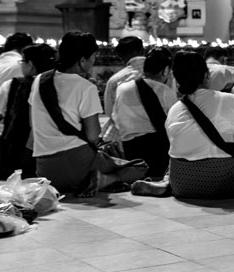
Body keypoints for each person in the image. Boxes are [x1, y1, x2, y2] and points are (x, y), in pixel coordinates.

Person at [136, 51, 234, 199]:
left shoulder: (175, 109)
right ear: (206, 75)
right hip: (221, 178)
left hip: (180, 181)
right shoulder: (229, 99)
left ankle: (166, 183)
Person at [31, 32, 144, 197]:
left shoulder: (39, 80)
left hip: (45, 170)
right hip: (77, 163)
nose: (94, 61)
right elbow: (93, 135)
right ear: (82, 60)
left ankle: (99, 178)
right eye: (93, 56)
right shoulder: (85, 87)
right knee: (139, 168)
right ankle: (104, 180)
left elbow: (32, 122)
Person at [0, 44, 58, 180]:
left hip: (16, 159)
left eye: (22, 62)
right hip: (54, 157)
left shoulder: (13, 85)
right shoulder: (62, 84)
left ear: (30, 65)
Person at [113, 47, 176, 179]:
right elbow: (173, 124)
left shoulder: (122, 88)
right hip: (157, 150)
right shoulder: (164, 91)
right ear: (165, 70)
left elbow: (116, 117)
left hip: (129, 148)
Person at [102, 36, 146, 141]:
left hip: (125, 138)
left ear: (121, 56)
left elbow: (109, 111)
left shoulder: (115, 80)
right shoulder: (164, 74)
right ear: (143, 51)